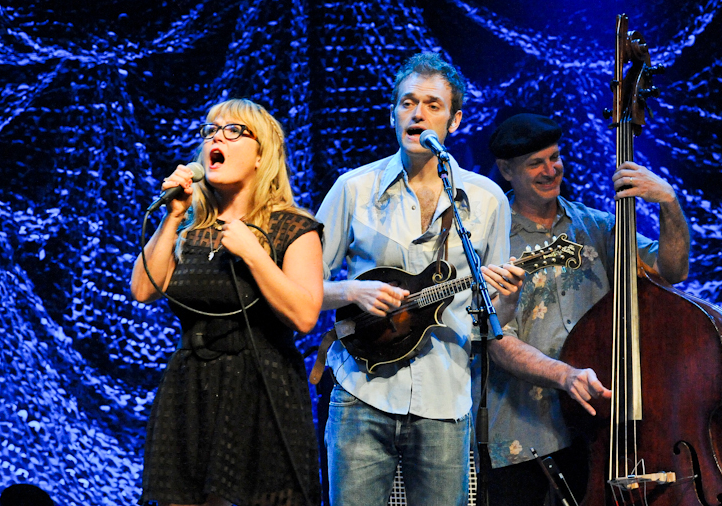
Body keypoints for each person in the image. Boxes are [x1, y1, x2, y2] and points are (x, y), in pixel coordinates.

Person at [315, 52, 525, 506]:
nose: (418, 113)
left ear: (455, 120)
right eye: (407, 103)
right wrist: (352, 290)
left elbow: (495, 321)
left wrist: (507, 297)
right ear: (393, 114)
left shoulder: (486, 201)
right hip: (359, 393)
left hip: (446, 400)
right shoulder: (354, 189)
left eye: (432, 104)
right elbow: (298, 289)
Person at [481, 113, 690, 506]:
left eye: (555, 157)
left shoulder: (597, 226)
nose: (551, 169)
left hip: (599, 430)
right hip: (525, 434)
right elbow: (495, 340)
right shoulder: (487, 239)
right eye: (535, 163)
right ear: (507, 170)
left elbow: (670, 270)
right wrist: (565, 375)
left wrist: (669, 203)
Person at [130, 98, 324, 506]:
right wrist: (173, 216)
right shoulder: (189, 228)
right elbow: (144, 288)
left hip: (259, 389)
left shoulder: (293, 227)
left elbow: (305, 316)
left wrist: (253, 254)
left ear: (261, 155)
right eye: (210, 130)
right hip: (191, 389)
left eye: (233, 130)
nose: (216, 136)